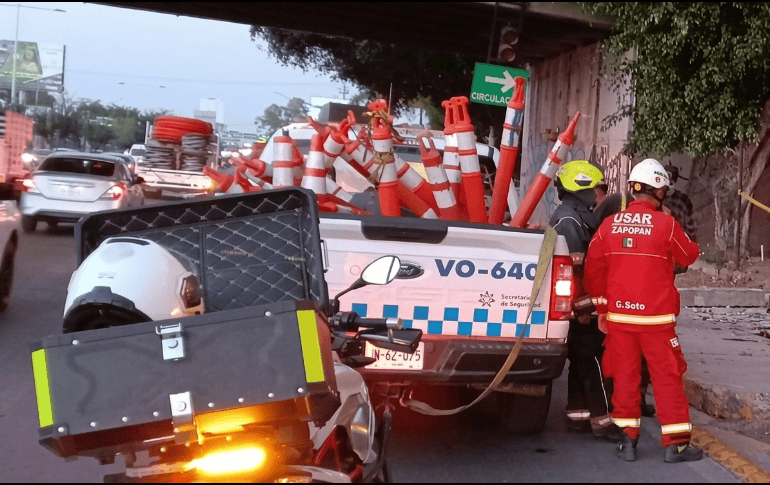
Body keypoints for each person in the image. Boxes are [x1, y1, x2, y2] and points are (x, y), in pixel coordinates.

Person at [584, 158, 702, 463]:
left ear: (633, 191)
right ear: (660, 191)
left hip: (619, 319)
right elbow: (689, 255)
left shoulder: (610, 225)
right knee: (667, 378)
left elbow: (593, 269)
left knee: (625, 378)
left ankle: (628, 442)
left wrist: (601, 310)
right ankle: (676, 445)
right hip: (657, 322)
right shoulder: (666, 224)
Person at [549, 160, 624, 443]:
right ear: (580, 188)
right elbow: (577, 270)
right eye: (593, 188)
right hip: (580, 309)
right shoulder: (571, 221)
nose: (596, 194)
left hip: (573, 308)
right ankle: (603, 422)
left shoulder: (570, 215)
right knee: (593, 361)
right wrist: (584, 307)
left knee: (580, 362)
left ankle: (577, 417)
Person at [593, 188, 657, 419]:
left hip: (642, 301)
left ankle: (634, 402)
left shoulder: (656, 220)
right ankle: (618, 405)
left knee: (639, 358)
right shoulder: (613, 212)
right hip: (620, 299)